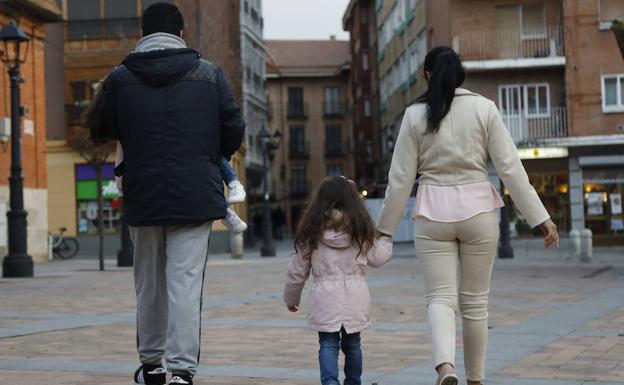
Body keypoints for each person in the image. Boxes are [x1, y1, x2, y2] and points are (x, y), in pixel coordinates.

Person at [376, 47, 559, 385]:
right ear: (460, 74)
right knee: (476, 303)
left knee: (440, 298)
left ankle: (445, 367)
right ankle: (476, 380)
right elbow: (511, 169)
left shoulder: (415, 116)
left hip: (433, 214)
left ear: (428, 75)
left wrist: (384, 229)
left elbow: (400, 179)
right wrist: (540, 217)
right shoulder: (484, 108)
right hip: (479, 212)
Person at [93, 3, 245, 385]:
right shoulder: (209, 74)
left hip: (142, 195)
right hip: (195, 194)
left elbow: (100, 125)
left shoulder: (119, 78)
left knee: (148, 285)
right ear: (180, 34)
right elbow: (233, 128)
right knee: (185, 285)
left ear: (143, 35)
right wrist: (211, 155)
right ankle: (181, 372)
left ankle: (151, 366)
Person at [284, 176, 393, 385]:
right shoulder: (360, 231)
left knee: (328, 344)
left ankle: (330, 383)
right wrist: (386, 238)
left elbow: (297, 270)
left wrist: (292, 298)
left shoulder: (313, 232)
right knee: (353, 345)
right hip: (356, 296)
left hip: (324, 297)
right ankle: (353, 382)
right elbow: (378, 257)